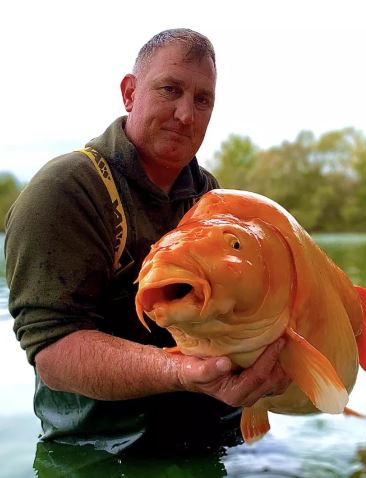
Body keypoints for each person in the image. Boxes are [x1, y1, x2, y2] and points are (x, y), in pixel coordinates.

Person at [5, 28, 289, 454]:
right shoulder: (64, 190)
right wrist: (180, 372)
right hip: (99, 454)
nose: (185, 115)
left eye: (202, 100)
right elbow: (53, 351)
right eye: (170, 90)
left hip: (217, 442)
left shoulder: (212, 197)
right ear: (129, 92)